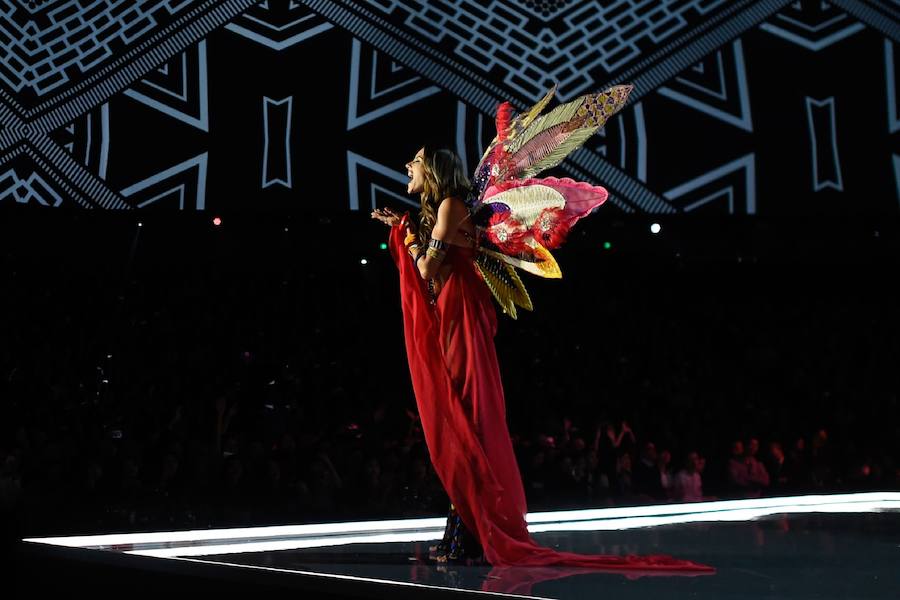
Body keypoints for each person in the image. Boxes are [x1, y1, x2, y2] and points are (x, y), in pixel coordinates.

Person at [370, 91, 712, 572]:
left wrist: (407, 237)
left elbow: (427, 269)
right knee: (461, 420)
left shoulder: (449, 205)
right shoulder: (445, 208)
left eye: (416, 161)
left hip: (461, 321)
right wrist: (409, 232)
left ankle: (471, 534)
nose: (408, 165)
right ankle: (465, 532)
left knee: (466, 421)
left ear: (436, 170)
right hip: (455, 316)